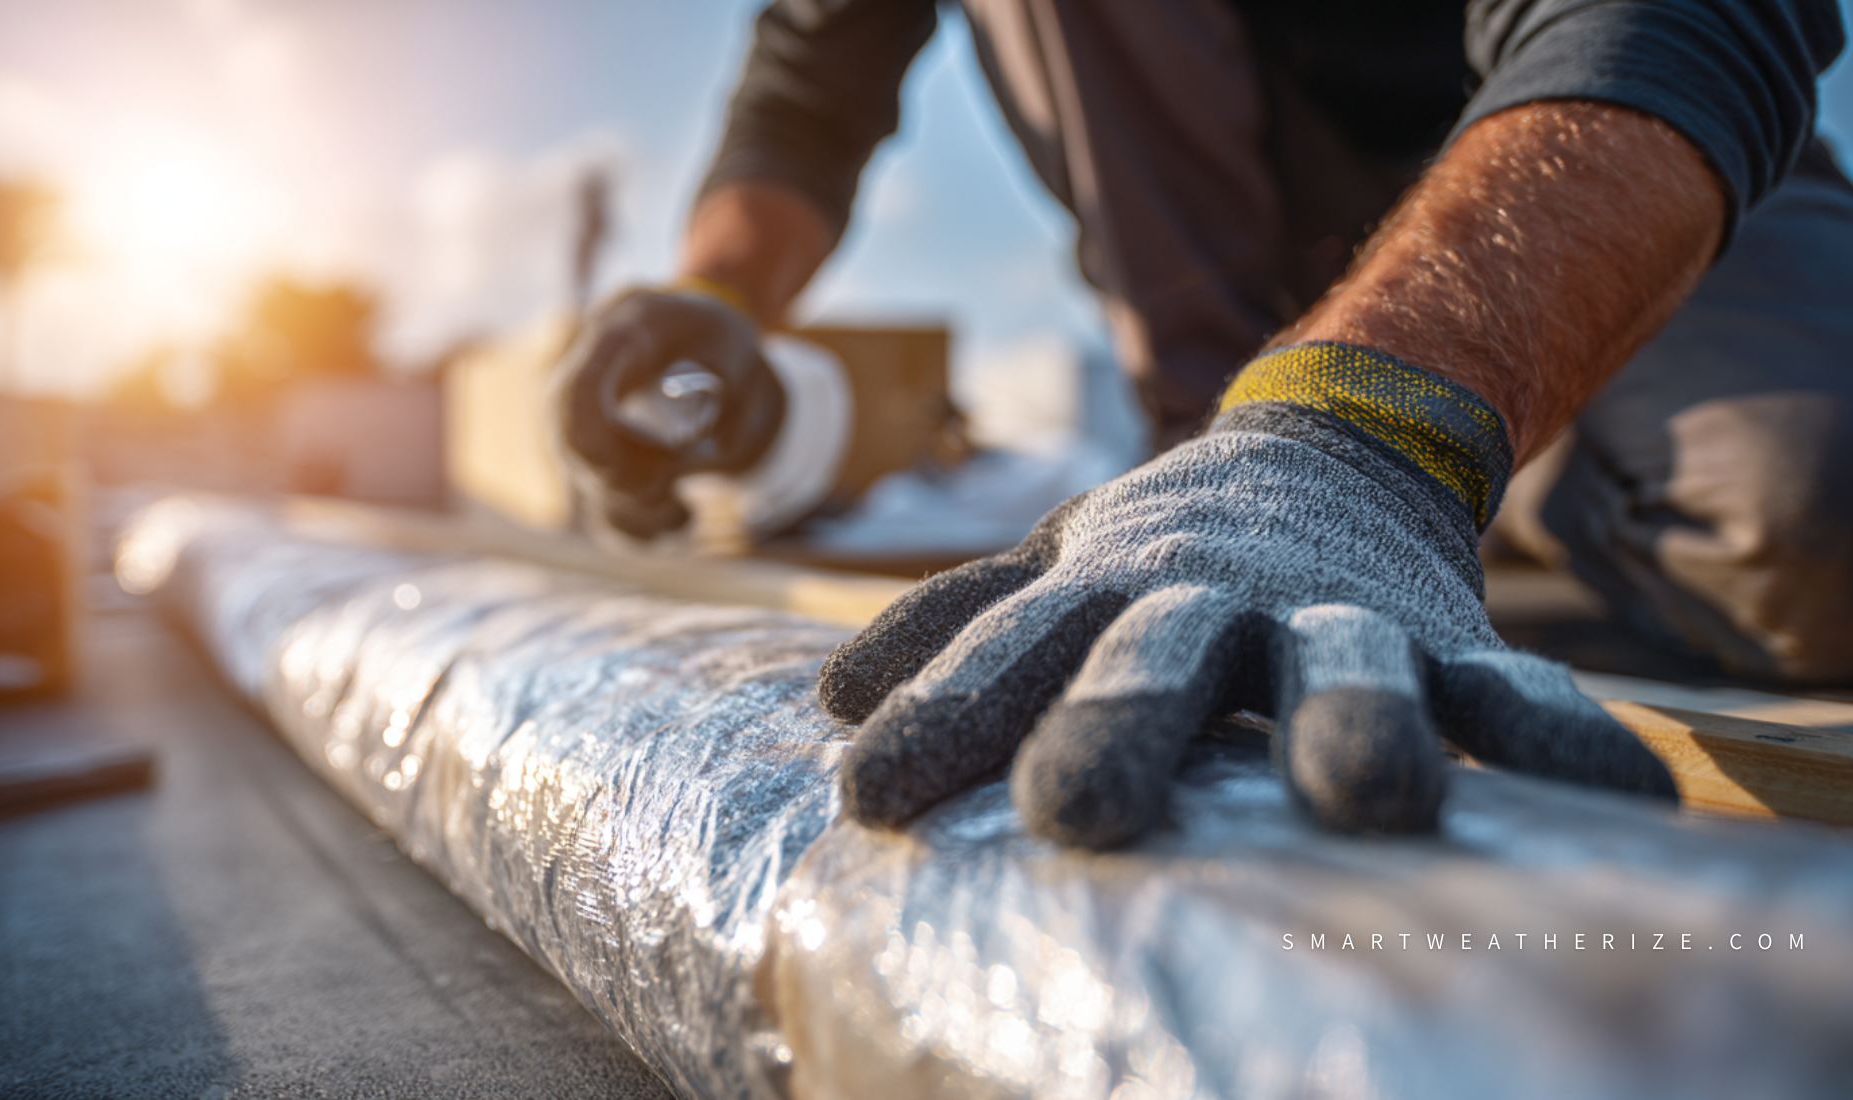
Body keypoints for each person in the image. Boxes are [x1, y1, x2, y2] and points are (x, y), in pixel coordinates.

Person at [553, 1, 1852, 846]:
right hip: (1249, 272)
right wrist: (714, 294)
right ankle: (1234, 460)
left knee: (1812, 520)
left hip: (1596, 159)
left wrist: (1375, 429)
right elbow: (806, 86)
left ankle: (1386, 460)